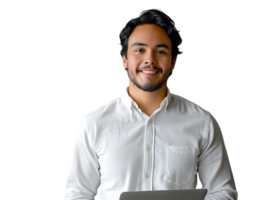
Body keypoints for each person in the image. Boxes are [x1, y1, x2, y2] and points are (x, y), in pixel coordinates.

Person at [63, 8, 239, 200]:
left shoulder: (203, 121)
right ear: (123, 59)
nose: (150, 60)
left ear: (174, 62)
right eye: (139, 50)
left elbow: (224, 193)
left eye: (160, 51)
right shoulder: (92, 123)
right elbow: (77, 195)